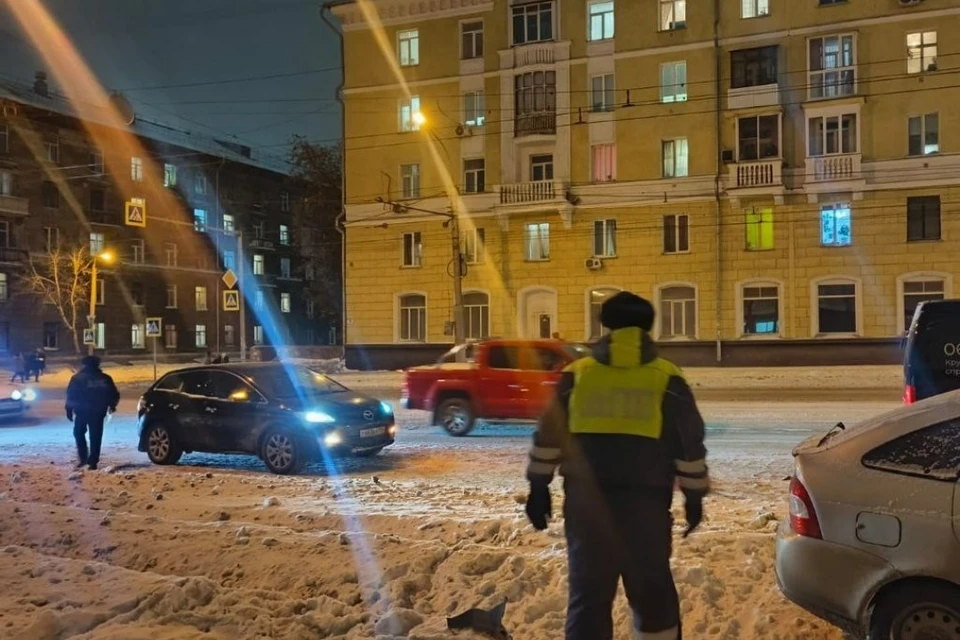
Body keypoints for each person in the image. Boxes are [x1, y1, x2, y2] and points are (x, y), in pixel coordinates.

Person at [525, 291, 709, 640]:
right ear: (648, 328)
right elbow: (688, 445)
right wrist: (695, 496)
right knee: (653, 597)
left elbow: (549, 436)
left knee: (589, 600)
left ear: (605, 326)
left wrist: (538, 487)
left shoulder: (577, 375)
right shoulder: (667, 377)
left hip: (586, 507)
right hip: (646, 510)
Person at [65, 355, 120, 471]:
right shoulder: (105, 378)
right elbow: (113, 394)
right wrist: (112, 405)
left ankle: (83, 458)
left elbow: (71, 395)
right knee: (96, 436)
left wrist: (69, 409)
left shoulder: (78, 378)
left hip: (82, 411)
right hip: (99, 411)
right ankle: (93, 461)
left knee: (78, 433)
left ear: (84, 365)